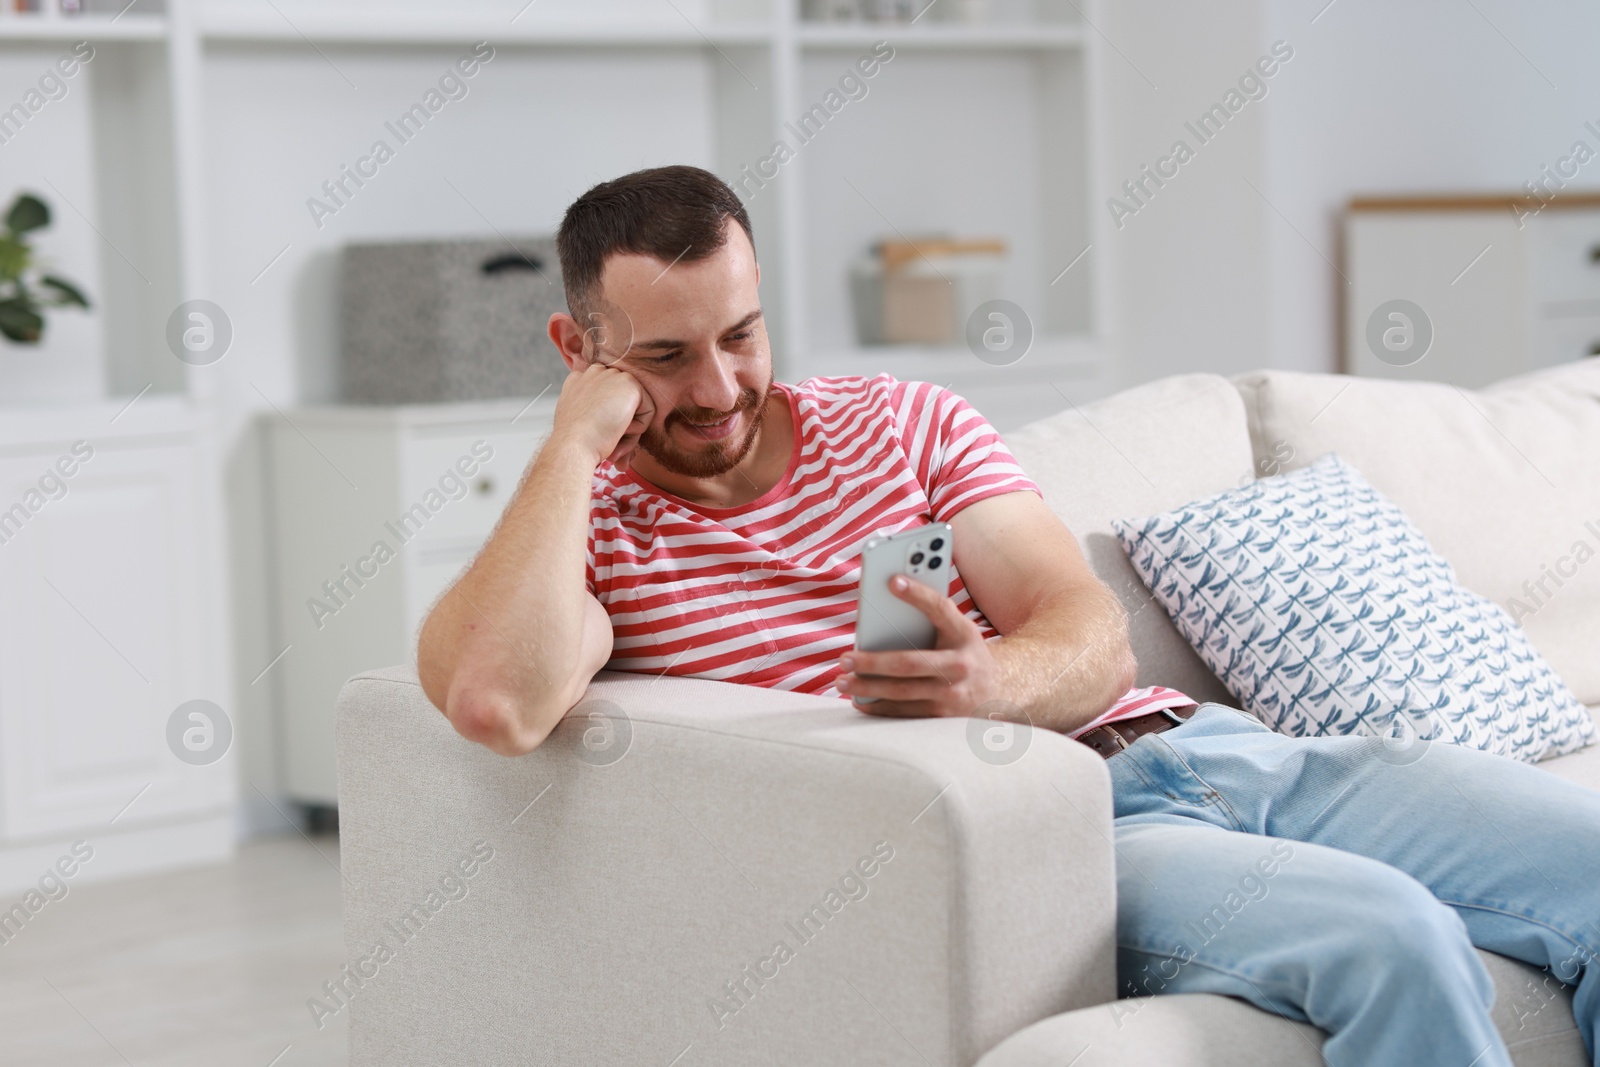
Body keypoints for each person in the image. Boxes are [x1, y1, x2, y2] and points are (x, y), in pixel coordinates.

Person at [416, 165, 1600, 1067]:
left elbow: (1086, 627)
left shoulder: (899, 421)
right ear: (580, 349)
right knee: (1387, 935)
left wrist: (989, 681)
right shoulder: (604, 536)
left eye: (739, 336)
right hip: (1059, 835)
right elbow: (495, 698)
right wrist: (570, 443)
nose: (720, 388)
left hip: (1209, 749)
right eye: (664, 358)